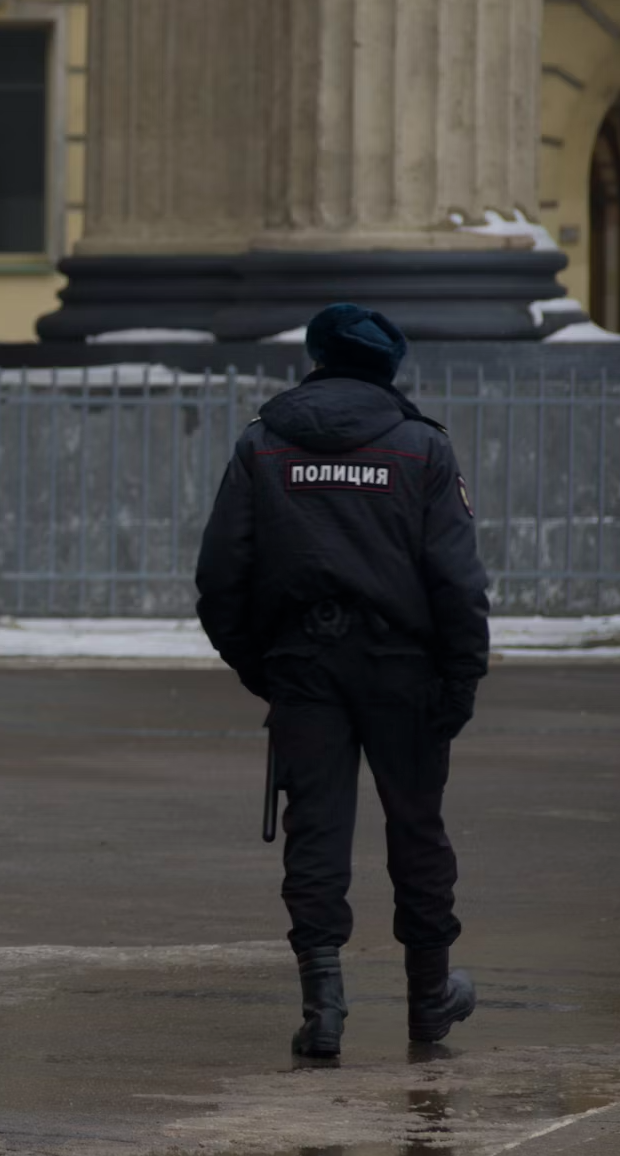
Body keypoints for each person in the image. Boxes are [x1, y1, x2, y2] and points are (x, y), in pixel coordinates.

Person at [195, 303, 487, 1057]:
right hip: (405, 668)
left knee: (315, 833)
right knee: (417, 827)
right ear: (389, 368)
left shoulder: (263, 444)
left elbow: (221, 576)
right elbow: (457, 580)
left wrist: (266, 667)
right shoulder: (423, 449)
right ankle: (429, 997)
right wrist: (461, 678)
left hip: (304, 665)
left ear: (316, 357)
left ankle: (321, 1006)